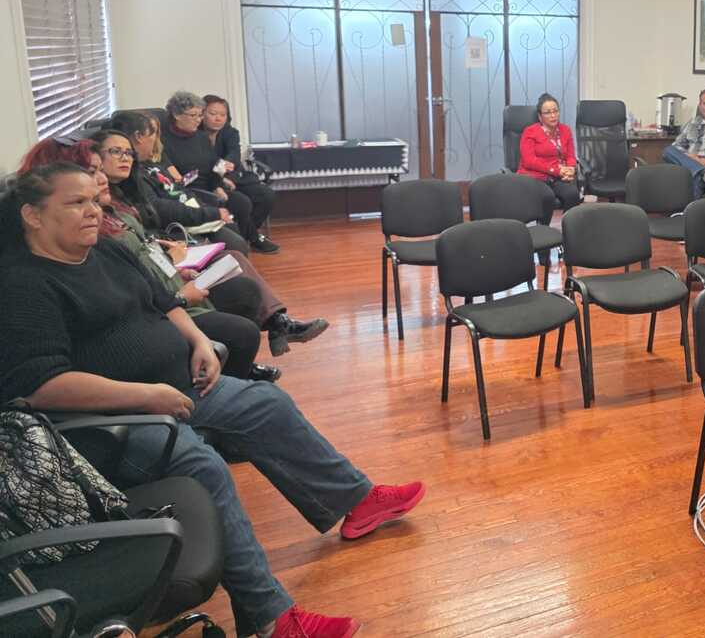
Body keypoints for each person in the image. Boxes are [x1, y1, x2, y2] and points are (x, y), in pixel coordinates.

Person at [0, 163, 426, 638]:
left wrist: (199, 341)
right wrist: (147, 396)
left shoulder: (107, 250)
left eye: (94, 202)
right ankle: (272, 619)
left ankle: (357, 500)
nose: (93, 211)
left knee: (267, 404)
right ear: (33, 216)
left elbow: (165, 302)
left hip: (177, 387)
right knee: (203, 465)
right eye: (75, 203)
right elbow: (41, 384)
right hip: (111, 422)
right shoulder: (23, 285)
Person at [15, 136, 281, 383]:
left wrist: (173, 268)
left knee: (241, 279)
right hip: (164, 311)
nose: (102, 178)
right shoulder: (86, 244)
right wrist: (180, 297)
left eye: (100, 170)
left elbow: (144, 263)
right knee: (242, 326)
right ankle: (240, 364)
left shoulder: (112, 212)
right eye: (92, 171)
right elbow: (128, 302)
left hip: (169, 288)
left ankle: (254, 349)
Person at [94, 128, 328, 357]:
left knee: (234, 255)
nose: (125, 157)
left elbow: (164, 209)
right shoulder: (104, 208)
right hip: (166, 270)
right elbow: (155, 221)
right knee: (237, 266)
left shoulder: (133, 184)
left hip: (170, 251)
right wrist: (174, 253)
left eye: (128, 153)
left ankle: (278, 323)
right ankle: (274, 327)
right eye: (116, 152)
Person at [109, 109, 250, 256]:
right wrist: (210, 213)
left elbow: (179, 189)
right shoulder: (132, 173)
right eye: (154, 134)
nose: (157, 141)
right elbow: (159, 208)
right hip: (177, 226)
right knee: (236, 246)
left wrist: (205, 206)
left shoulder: (152, 163)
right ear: (139, 137)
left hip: (191, 211)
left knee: (233, 229)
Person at [161, 90, 279, 254]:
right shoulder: (164, 140)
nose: (198, 120)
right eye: (193, 115)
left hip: (211, 185)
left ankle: (245, 241)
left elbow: (213, 164)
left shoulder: (201, 137)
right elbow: (172, 176)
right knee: (240, 205)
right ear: (176, 115)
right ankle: (246, 241)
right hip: (189, 191)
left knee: (243, 202)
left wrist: (217, 185)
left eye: (200, 115)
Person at [202, 94, 278, 247]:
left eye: (223, 114)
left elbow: (234, 155)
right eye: (213, 113)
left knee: (267, 195)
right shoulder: (196, 136)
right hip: (211, 182)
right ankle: (253, 238)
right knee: (242, 202)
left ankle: (247, 235)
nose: (218, 118)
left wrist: (226, 170)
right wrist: (221, 178)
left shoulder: (230, 133)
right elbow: (202, 163)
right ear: (202, 114)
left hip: (235, 177)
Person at [517, 92, 582, 224]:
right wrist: (556, 170)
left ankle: (568, 227)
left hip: (557, 177)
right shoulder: (530, 132)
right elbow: (529, 161)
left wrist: (571, 169)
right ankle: (543, 229)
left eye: (555, 111)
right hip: (535, 177)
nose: (553, 115)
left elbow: (570, 156)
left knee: (573, 194)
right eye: (547, 112)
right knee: (548, 197)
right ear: (540, 117)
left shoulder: (565, 130)